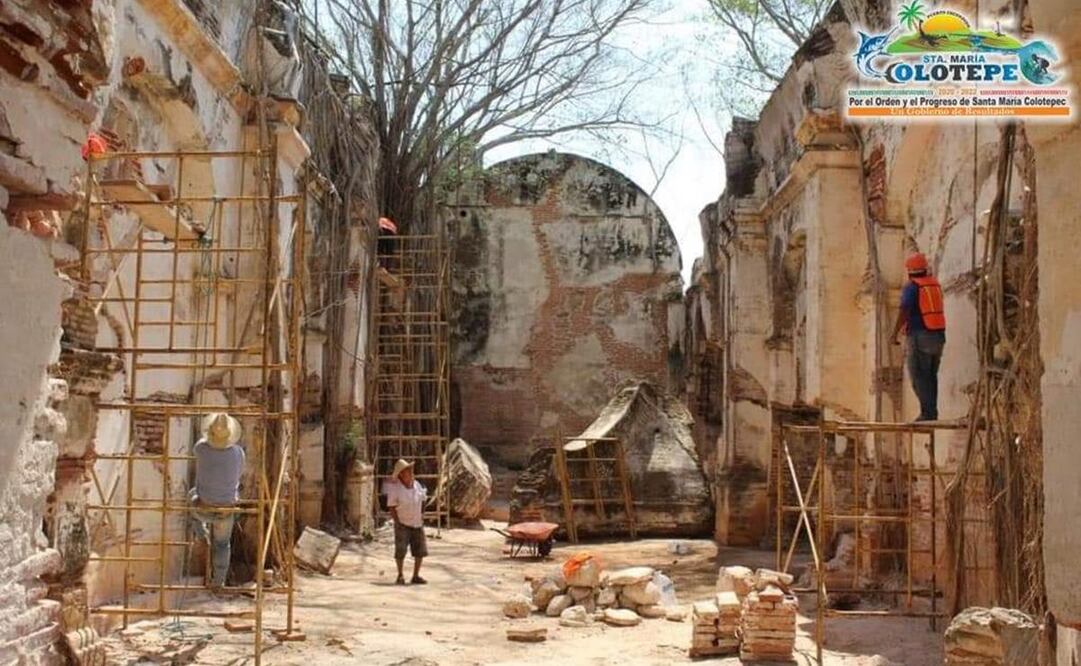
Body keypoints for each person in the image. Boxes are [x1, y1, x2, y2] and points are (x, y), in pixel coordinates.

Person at [190, 412, 245, 589]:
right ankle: (218, 582)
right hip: (226, 508)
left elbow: (198, 451)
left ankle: (200, 533)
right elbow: (239, 474)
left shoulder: (200, 448)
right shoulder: (238, 452)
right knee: (222, 544)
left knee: (190, 497)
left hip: (203, 507)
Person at [891, 252, 947, 422]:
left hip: (919, 336)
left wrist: (894, 333)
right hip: (938, 335)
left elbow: (904, 310)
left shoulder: (912, 287)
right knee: (930, 376)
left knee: (918, 376)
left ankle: (927, 414)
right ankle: (931, 412)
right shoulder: (934, 285)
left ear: (909, 271)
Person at [386, 459, 428, 585]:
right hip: (402, 523)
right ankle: (400, 575)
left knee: (420, 550)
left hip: (417, 522)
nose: (410, 472)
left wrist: (422, 515)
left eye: (410, 470)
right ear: (401, 474)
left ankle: (416, 575)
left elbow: (423, 499)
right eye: (407, 471)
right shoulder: (396, 489)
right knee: (400, 551)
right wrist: (397, 521)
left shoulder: (417, 485)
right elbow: (392, 506)